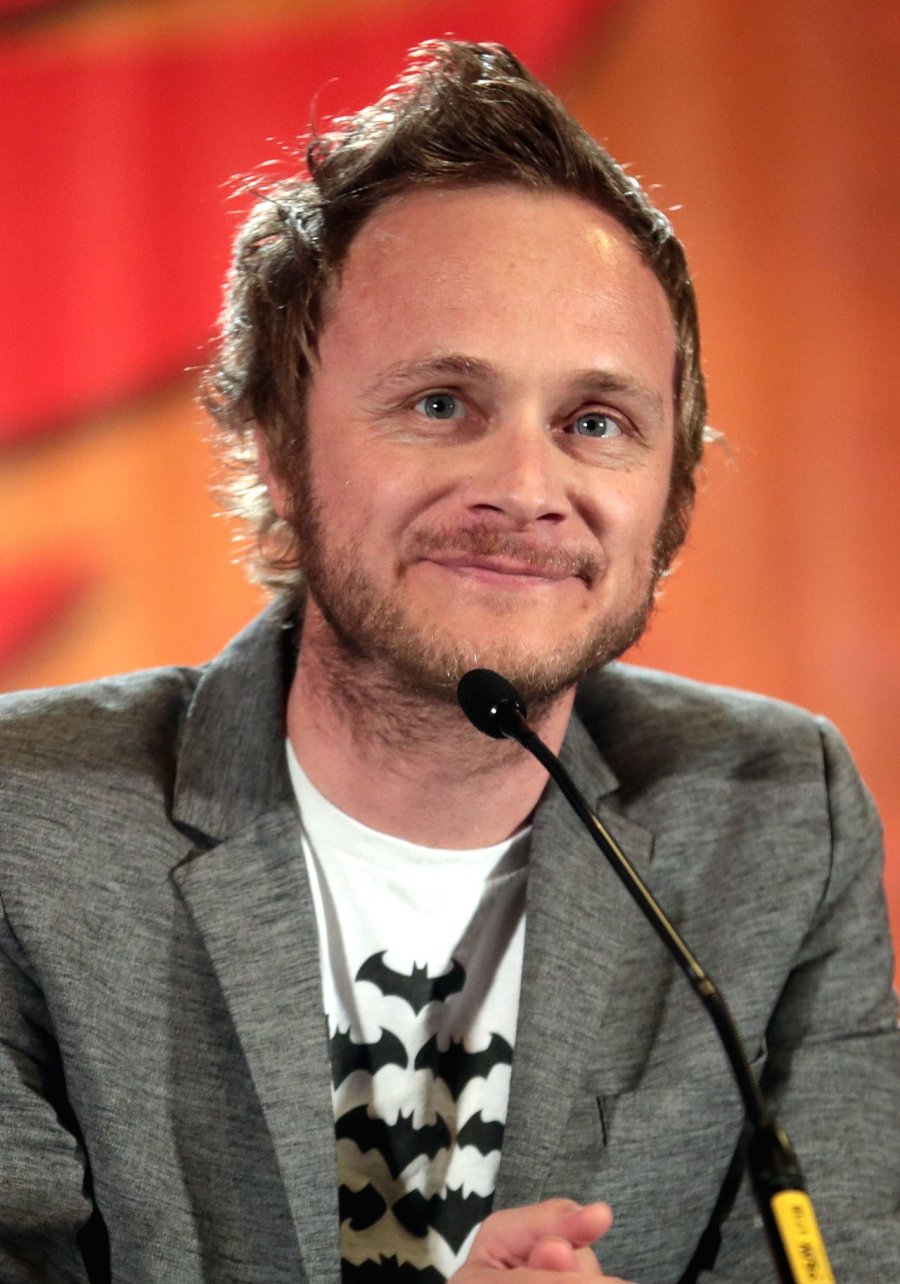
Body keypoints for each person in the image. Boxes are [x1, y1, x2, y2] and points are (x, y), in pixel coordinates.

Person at [0, 39, 897, 1284]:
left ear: (673, 490)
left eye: (595, 422)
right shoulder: (29, 827)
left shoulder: (775, 816)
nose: (526, 488)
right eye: (440, 405)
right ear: (275, 444)